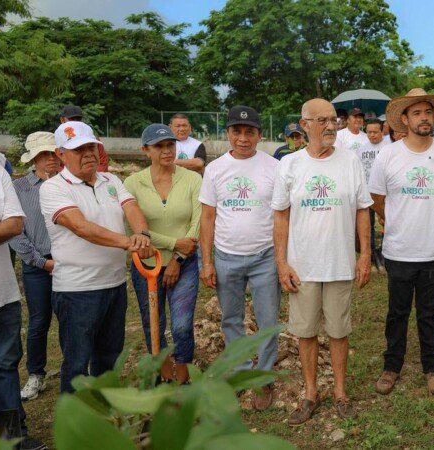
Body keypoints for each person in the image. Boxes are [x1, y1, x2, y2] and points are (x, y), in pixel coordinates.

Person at [272, 98, 373, 425]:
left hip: (340, 263)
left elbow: (362, 210)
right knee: (305, 333)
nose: (331, 126)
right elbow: (281, 217)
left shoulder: (351, 161)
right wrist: (281, 263)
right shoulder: (290, 164)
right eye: (323, 121)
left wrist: (365, 254)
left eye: (334, 120)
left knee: (339, 331)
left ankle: (341, 392)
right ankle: (311, 393)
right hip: (303, 266)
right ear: (305, 125)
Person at [40, 121, 155, 394]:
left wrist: (143, 234)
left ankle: (105, 415)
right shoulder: (54, 188)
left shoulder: (110, 180)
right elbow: (81, 227)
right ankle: (77, 425)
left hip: (114, 286)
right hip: (77, 290)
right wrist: (129, 242)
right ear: (60, 154)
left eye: (91, 146)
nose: (88, 153)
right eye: (79, 149)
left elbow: (131, 207)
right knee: (77, 363)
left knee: (109, 358)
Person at [368, 88, 434, 396]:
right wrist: (395, 220)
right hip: (398, 250)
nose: (425, 117)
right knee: (397, 312)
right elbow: (377, 198)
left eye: (428, 112)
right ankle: (391, 367)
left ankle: (432, 367)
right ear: (405, 119)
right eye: (417, 113)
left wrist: (427, 213)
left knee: (428, 312)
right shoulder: (388, 154)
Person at [199, 106, 280, 410]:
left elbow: (281, 216)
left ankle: (263, 377)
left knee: (268, 320)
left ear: (259, 135)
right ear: (228, 134)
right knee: (231, 319)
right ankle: (241, 373)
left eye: (249, 132)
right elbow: (207, 218)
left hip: (265, 257)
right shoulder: (216, 169)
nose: (243, 138)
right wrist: (207, 261)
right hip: (226, 257)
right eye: (237, 131)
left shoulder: (274, 167)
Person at [125, 124, 202, 384]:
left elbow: (198, 222)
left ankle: (183, 376)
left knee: (181, 324)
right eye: (159, 146)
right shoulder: (133, 183)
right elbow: (136, 230)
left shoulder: (192, 179)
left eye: (170, 145)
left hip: (185, 263)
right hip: (147, 264)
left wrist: (178, 258)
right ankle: (163, 372)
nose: (167, 151)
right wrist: (173, 242)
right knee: (153, 322)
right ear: (146, 150)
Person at [0, 163, 48, 450]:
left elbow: (14, 224)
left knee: (4, 366)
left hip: (0, 293)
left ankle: (11, 439)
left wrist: (2, 227)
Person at [9, 132, 60, 401]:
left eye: (54, 153)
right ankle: (36, 374)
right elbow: (16, 232)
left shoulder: (67, 183)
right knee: (40, 321)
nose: (51, 159)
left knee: (71, 318)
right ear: (35, 159)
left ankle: (74, 369)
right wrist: (41, 261)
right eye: (45, 155)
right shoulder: (20, 188)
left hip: (69, 261)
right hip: (36, 264)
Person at [356, 118, 387, 270]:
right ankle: (372, 256)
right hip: (367, 194)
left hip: (385, 194)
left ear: (382, 131)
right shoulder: (361, 150)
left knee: (388, 223)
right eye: (369, 132)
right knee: (368, 225)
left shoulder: (389, 147)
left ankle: (386, 255)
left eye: (375, 132)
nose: (372, 135)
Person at [60, 105, 109, 172]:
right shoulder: (58, 140)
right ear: (62, 120)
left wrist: (91, 177)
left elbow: (103, 162)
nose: (75, 122)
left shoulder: (92, 138)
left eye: (78, 119)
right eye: (71, 119)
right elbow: (56, 166)